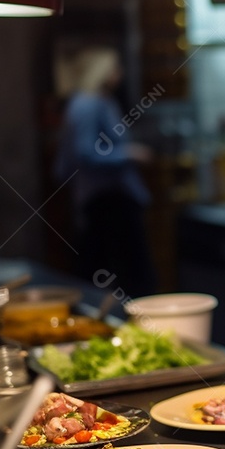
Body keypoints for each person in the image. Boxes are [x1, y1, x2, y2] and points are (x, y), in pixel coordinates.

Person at [55, 46, 155, 297]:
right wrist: (128, 154)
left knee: (101, 267)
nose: (119, 73)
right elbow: (84, 153)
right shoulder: (89, 104)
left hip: (99, 197)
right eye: (115, 68)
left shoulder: (86, 102)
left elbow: (63, 165)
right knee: (124, 272)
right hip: (109, 197)